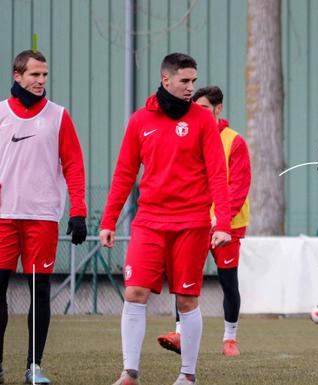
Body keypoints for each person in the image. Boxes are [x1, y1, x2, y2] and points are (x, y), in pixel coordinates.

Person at [100, 53, 232, 385]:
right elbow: (124, 174)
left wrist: (224, 224)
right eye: (185, 81)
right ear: (166, 80)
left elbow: (218, 175)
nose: (191, 88)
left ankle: (187, 375)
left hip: (192, 224)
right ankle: (129, 373)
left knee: (187, 299)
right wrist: (108, 221)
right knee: (134, 293)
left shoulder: (203, 121)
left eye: (193, 81)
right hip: (149, 222)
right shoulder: (140, 121)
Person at [0, 50, 87, 384]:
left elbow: (74, 165)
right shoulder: (2, 114)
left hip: (42, 218)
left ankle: (33, 367)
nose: (40, 81)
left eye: (45, 75)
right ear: (17, 75)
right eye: (35, 75)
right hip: (4, 217)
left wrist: (78, 211)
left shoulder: (58, 116)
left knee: (39, 290)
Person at [157, 85, 251, 357]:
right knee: (184, 278)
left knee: (228, 282)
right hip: (193, 221)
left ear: (218, 108)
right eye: (195, 108)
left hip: (228, 226)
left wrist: (220, 219)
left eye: (205, 108)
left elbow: (239, 185)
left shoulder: (234, 141)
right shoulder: (187, 136)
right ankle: (179, 333)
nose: (199, 113)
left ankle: (230, 339)